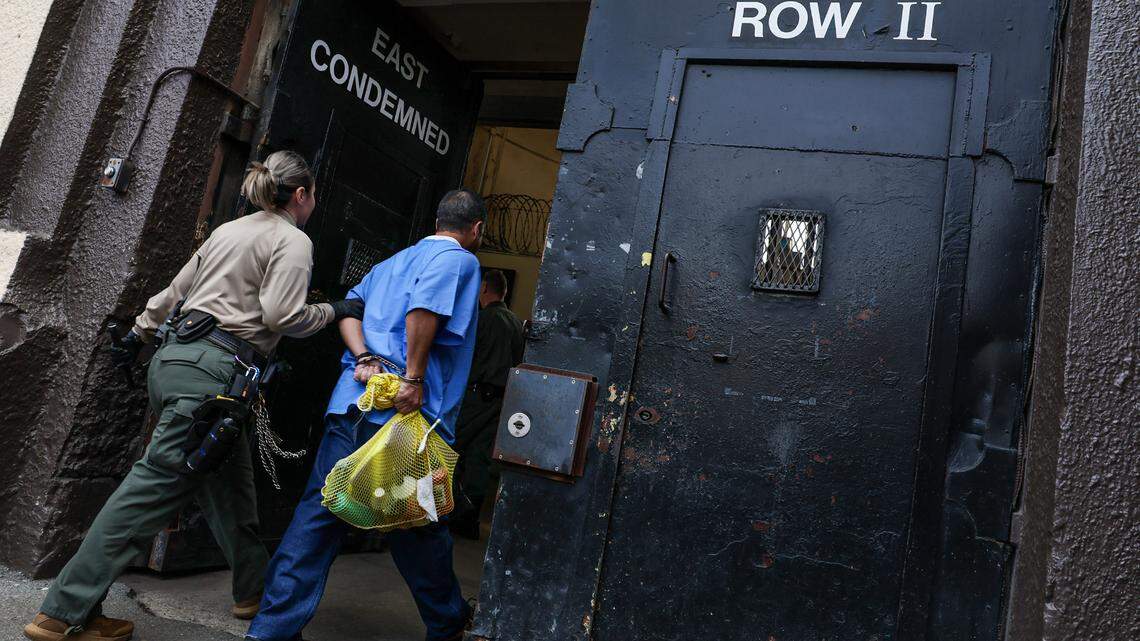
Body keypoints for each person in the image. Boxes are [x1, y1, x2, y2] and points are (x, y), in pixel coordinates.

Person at [23, 150, 364, 641]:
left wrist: (140, 334)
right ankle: (61, 611)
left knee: (230, 487)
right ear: (303, 194)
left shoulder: (229, 230)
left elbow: (172, 293)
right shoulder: (293, 240)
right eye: (313, 198)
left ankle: (254, 593)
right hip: (214, 380)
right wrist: (333, 310)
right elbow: (282, 316)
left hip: (178, 365)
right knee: (147, 494)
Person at [246, 189, 486, 641]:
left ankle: (270, 630)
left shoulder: (392, 262)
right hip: (404, 417)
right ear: (476, 230)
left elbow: (348, 311)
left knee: (320, 512)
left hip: (353, 404)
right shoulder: (461, 262)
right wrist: (412, 379)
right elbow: (424, 309)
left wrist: (362, 357)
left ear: (437, 221)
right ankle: (448, 621)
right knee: (418, 522)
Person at [448, 269, 524, 540]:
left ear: (484, 289)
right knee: (481, 458)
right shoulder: (516, 323)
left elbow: (468, 359)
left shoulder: (483, 320)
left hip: (475, 396)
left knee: (451, 450)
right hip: (501, 400)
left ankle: (446, 512)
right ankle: (468, 519)